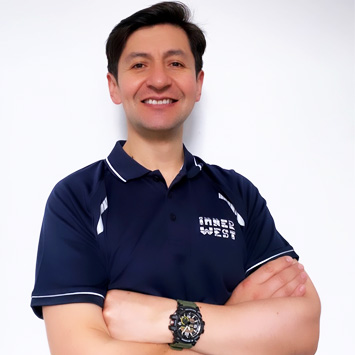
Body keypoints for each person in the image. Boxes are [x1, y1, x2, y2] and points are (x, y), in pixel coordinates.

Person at [31, 2, 320, 354]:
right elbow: (77, 349)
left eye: (176, 63)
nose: (158, 79)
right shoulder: (75, 198)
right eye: (139, 65)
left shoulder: (238, 194)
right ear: (114, 86)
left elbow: (302, 332)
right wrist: (235, 324)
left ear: (198, 84)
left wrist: (159, 317)